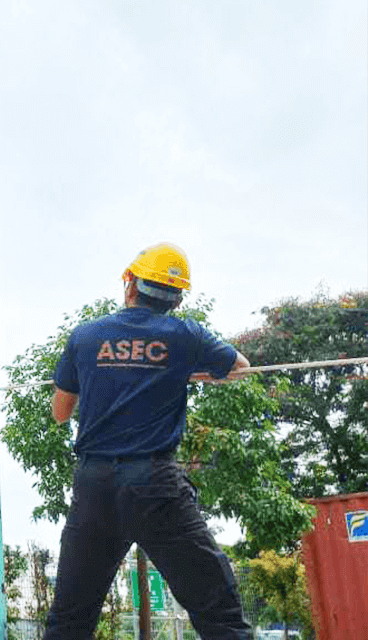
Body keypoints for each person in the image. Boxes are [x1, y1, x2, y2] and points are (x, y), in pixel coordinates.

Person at [44, 242, 253, 640]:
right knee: (217, 608)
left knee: (70, 619)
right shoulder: (185, 335)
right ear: (175, 299)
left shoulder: (86, 337)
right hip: (155, 487)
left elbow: (60, 413)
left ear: (130, 283)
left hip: (94, 487)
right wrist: (179, 371)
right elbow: (240, 368)